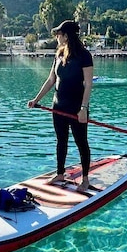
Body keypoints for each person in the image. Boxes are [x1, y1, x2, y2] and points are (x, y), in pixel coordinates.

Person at [27, 20, 94, 192]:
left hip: (77, 109)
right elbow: (51, 80)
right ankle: (60, 173)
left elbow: (88, 84)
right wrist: (36, 100)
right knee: (61, 141)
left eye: (58, 34)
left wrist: (84, 108)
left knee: (81, 142)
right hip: (58, 107)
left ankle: (85, 179)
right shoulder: (59, 54)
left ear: (66, 36)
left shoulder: (84, 55)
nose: (56, 36)